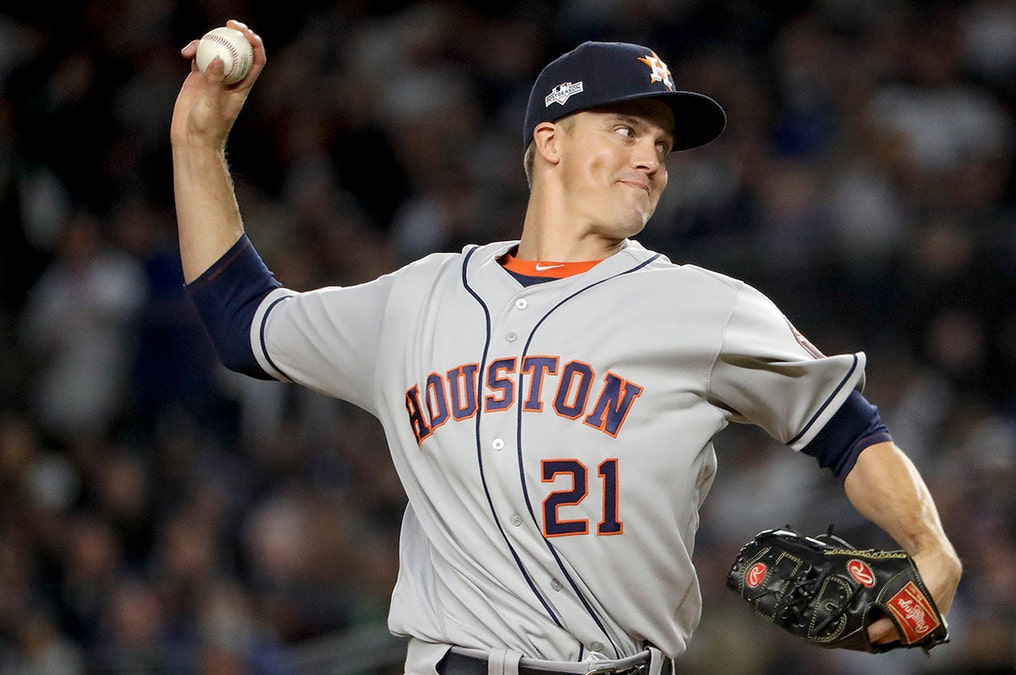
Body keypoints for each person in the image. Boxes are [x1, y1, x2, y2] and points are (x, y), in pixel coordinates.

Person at [171, 20, 962, 675]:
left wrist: (931, 549)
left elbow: (849, 428)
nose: (651, 157)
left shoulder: (704, 308)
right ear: (549, 140)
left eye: (661, 141)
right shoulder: (418, 298)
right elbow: (244, 322)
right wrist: (197, 143)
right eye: (626, 129)